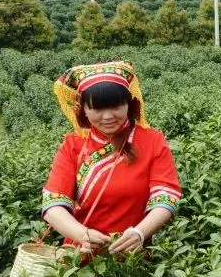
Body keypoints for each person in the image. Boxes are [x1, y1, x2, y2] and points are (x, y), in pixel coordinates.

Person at [41, 61, 182, 255]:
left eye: (116, 106)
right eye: (97, 109)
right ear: (83, 109)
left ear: (129, 104)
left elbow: (166, 197)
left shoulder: (152, 141)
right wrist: (83, 234)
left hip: (133, 256)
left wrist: (139, 233)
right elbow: (52, 205)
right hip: (80, 256)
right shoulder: (73, 145)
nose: (108, 116)